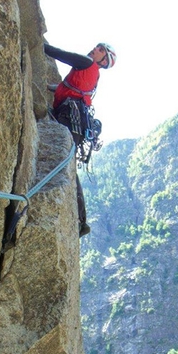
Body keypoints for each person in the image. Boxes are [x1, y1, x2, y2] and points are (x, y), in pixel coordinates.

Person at [44, 42, 116, 237]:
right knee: (69, 167)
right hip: (75, 120)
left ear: (103, 60)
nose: (95, 49)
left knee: (64, 163)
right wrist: (52, 88)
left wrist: (34, 42)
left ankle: (82, 221)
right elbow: (71, 88)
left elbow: (57, 52)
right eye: (97, 47)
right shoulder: (93, 75)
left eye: (100, 50)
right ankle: (82, 221)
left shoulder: (85, 63)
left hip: (69, 117)